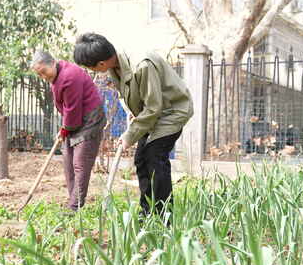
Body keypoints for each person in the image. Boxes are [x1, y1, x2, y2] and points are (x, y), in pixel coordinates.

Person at [73, 33, 193, 216]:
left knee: (155, 156)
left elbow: (154, 107)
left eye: (91, 68)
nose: (93, 72)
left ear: (101, 64)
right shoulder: (115, 65)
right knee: (141, 159)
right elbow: (128, 94)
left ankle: (163, 216)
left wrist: (130, 135)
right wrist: (131, 112)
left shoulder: (141, 65)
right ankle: (147, 212)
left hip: (171, 111)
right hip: (151, 114)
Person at [30, 50, 106, 211]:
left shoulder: (69, 76)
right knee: (68, 160)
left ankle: (74, 207)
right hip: (74, 119)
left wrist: (65, 128)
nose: (43, 77)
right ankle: (73, 202)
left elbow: (72, 108)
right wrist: (64, 128)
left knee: (80, 163)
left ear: (52, 62)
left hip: (89, 120)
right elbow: (68, 108)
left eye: (44, 72)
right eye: (39, 75)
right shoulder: (57, 76)